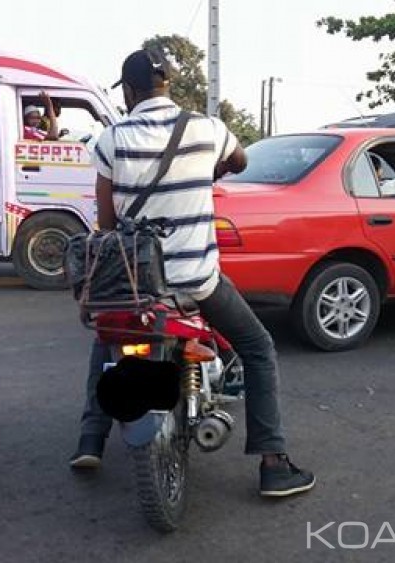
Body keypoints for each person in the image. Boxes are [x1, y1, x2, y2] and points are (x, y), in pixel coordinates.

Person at [69, 49, 316, 498]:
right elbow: (240, 162)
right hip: (198, 282)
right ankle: (273, 463)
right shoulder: (207, 129)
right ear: (169, 86)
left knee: (106, 338)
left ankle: (91, 440)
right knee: (258, 347)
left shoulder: (110, 139)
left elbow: (105, 224)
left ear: (128, 91)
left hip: (137, 285)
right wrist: (210, 168)